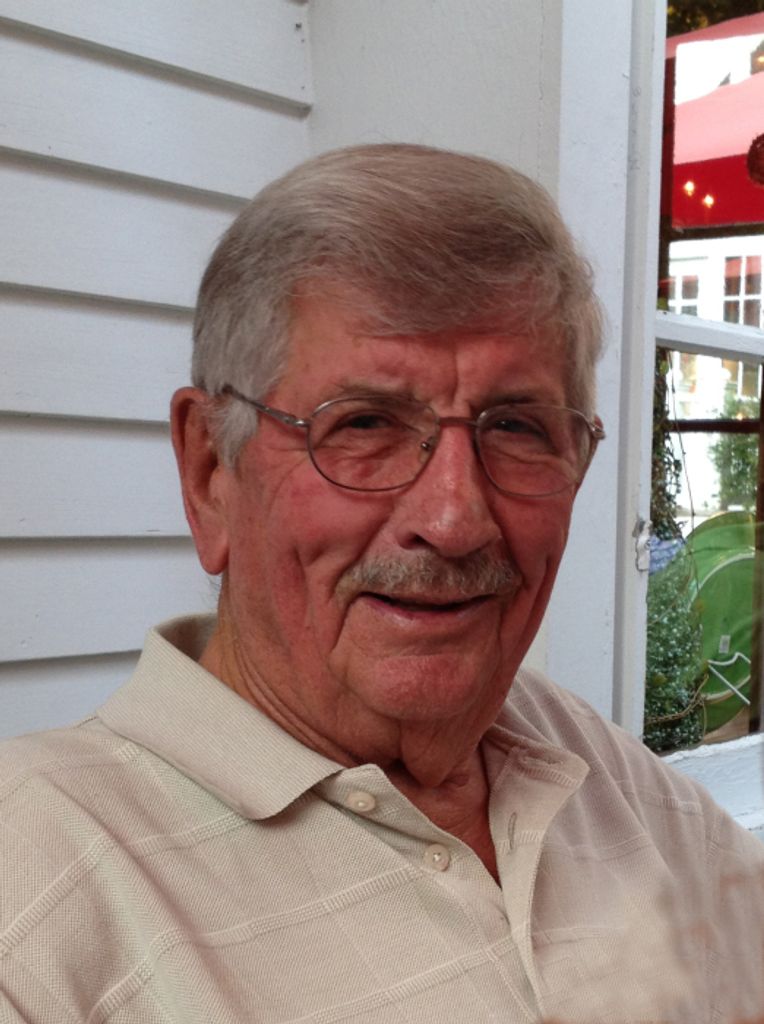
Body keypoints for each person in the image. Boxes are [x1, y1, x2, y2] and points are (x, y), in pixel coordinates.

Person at [1, 144, 762, 1024]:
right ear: (210, 470)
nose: (454, 518)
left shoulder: (576, 754)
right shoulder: (36, 887)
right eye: (364, 424)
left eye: (516, 427)